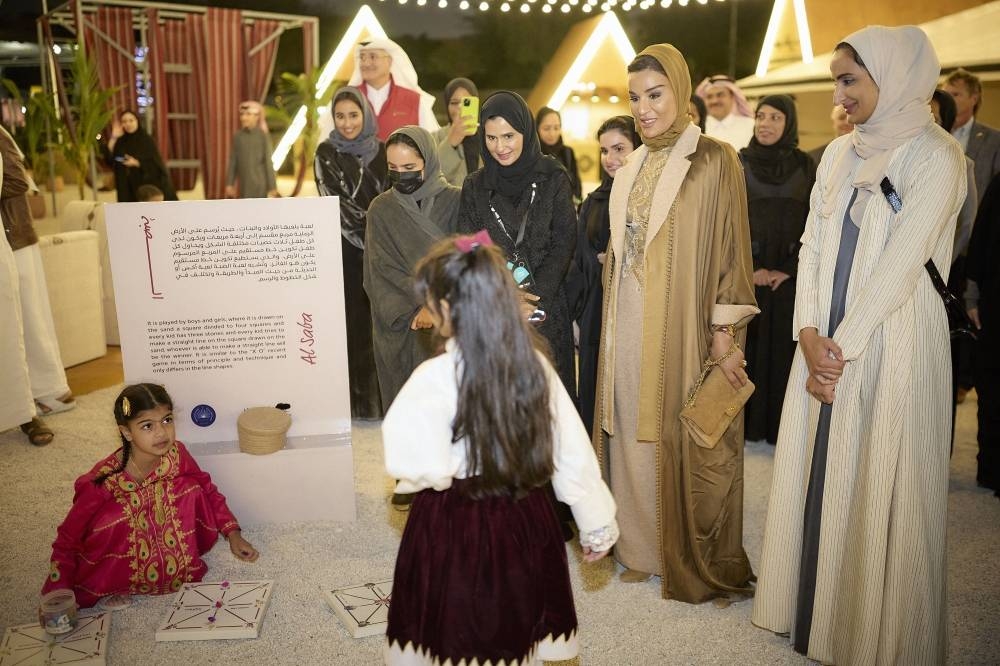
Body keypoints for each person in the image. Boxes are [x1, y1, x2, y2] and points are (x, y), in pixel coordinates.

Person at [752, 27, 966, 665]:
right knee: (819, 474)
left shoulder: (937, 158)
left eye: (850, 80)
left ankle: (874, 633)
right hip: (824, 339)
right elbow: (812, 244)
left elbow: (903, 266)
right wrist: (809, 333)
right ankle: (812, 615)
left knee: (882, 480)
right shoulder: (841, 154)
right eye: (837, 80)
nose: (838, 94)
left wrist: (836, 350)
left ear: (894, 78)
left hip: (894, 339)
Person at [382, 234, 618, 666]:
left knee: (451, 617)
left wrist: (433, 472)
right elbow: (571, 453)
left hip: (450, 519)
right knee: (515, 612)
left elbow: (409, 457)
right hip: (524, 514)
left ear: (449, 310)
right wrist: (596, 524)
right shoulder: (536, 367)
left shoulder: (432, 378)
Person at [592, 44, 756, 602]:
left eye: (655, 95)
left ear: (681, 92)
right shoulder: (631, 162)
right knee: (630, 425)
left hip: (682, 320)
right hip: (628, 315)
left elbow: (733, 250)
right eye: (635, 97)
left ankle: (682, 554)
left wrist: (725, 331)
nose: (643, 108)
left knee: (682, 435)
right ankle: (638, 549)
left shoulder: (714, 158)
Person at [41, 383, 258, 610]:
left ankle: (177, 566)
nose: (161, 432)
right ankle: (119, 583)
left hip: (172, 551)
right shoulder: (103, 480)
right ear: (126, 432)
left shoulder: (177, 454)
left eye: (167, 420)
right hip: (117, 559)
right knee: (113, 515)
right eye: (147, 426)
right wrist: (58, 589)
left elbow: (208, 490)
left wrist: (233, 534)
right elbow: (68, 537)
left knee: (191, 488)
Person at [457, 91, 578, 399]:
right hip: (495, 309)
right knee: (501, 402)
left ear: (525, 131)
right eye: (491, 137)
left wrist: (532, 297)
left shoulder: (553, 178)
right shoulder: (475, 186)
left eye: (509, 136)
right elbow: (471, 246)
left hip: (546, 307)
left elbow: (563, 242)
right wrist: (505, 294)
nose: (500, 147)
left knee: (549, 401)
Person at [364, 126, 461, 409]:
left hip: (448, 316)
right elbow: (379, 270)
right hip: (403, 322)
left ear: (428, 162)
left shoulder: (458, 200)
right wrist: (419, 305)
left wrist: (437, 306)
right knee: (408, 415)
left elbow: (470, 256)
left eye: (409, 167)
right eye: (393, 168)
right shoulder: (380, 208)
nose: (400, 175)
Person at [739, 95, 816, 445]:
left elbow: (816, 221)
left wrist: (789, 268)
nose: (765, 124)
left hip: (791, 276)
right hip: (748, 275)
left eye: (775, 117)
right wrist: (750, 267)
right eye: (760, 116)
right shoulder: (739, 162)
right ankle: (748, 426)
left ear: (790, 124)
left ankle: (780, 430)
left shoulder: (805, 165)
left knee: (785, 350)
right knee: (749, 348)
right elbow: (728, 221)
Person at [315, 87, 388, 419]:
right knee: (355, 327)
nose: (346, 123)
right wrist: (373, 233)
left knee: (385, 326)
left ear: (366, 114)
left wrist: (384, 239)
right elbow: (336, 204)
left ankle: (388, 403)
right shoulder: (326, 153)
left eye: (353, 115)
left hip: (386, 252)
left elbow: (394, 202)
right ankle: (360, 407)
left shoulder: (385, 152)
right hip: (347, 253)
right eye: (340, 116)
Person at [0, 126, 74, 447]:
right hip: (10, 237)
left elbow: (18, 180)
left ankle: (44, 394)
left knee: (27, 320)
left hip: (13, 237)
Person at [571, 115, 640, 434]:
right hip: (595, 307)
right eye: (604, 151)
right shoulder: (594, 201)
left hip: (633, 308)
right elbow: (579, 253)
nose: (610, 159)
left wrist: (613, 257)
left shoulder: (646, 199)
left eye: (619, 149)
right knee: (593, 379)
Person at [967, 171, 1000, 497]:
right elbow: (981, 240)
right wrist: (972, 296)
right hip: (996, 300)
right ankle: (990, 469)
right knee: (992, 388)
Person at [347, 38, 439, 142]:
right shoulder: (346, 99)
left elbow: (433, 145)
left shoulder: (415, 101)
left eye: (373, 57)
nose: (366, 63)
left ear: (389, 61)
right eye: (362, 57)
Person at [944, 68, 1000, 205]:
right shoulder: (932, 134)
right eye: (946, 94)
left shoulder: (994, 140)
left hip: (976, 219)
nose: (948, 99)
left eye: (956, 94)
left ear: (974, 98)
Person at [106, 110, 177, 202]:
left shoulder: (146, 140)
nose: (128, 124)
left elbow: (156, 165)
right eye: (124, 121)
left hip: (145, 186)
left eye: (131, 120)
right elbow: (111, 160)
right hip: (126, 187)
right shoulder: (120, 142)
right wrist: (113, 137)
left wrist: (137, 163)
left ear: (137, 121)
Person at [433, 77, 482, 187]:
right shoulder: (435, 138)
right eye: (454, 102)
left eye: (467, 102)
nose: (460, 107)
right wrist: (450, 143)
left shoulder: (490, 135)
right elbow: (432, 178)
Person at [224, 101, 278, 199]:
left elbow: (268, 162)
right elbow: (233, 161)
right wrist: (229, 183)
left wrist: (272, 186)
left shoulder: (263, 136)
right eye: (242, 114)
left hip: (260, 185)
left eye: (248, 114)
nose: (244, 118)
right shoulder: (238, 136)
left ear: (257, 117)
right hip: (243, 185)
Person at [695, 75, 755, 149]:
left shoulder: (750, 125)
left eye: (720, 95)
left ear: (732, 97)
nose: (714, 101)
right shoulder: (696, 126)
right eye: (709, 97)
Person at [536, 106, 582, 202]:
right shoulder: (532, 154)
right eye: (546, 128)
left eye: (556, 128)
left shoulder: (567, 153)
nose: (552, 133)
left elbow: (577, 185)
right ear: (537, 128)